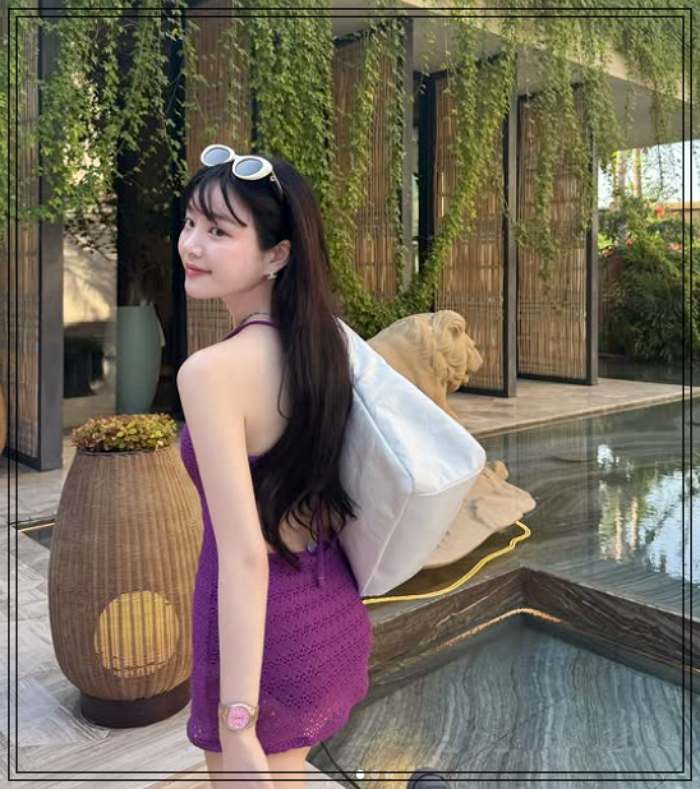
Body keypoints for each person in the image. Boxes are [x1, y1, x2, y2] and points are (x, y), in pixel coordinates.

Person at [175, 147, 373, 789]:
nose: (191, 244)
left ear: (276, 255)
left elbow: (244, 557)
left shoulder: (210, 373)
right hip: (329, 613)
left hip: (263, 648)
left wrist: (237, 722)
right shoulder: (322, 348)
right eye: (190, 222)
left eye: (218, 231)